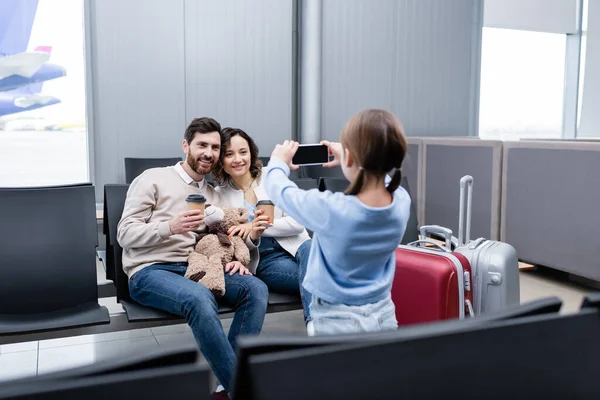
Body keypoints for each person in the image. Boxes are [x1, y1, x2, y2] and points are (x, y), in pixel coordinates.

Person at [116, 117, 270, 397]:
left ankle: (226, 386)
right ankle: (244, 392)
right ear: (186, 145)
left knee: (255, 289)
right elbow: (124, 234)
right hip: (149, 271)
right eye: (201, 145)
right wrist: (169, 227)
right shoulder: (153, 178)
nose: (208, 153)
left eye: (214, 147)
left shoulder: (211, 193)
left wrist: (236, 258)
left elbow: (222, 237)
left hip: (195, 269)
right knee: (200, 298)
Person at [262, 109, 411, 336]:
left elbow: (280, 190)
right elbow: (385, 177)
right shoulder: (401, 202)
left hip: (336, 321)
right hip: (383, 315)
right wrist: (352, 155)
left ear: (350, 158)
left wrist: (277, 162)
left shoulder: (333, 210)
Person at [211, 127, 312, 326]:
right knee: (320, 276)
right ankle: (323, 324)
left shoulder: (272, 177)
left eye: (243, 152)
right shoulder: (219, 195)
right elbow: (232, 238)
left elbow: (298, 223)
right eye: (229, 154)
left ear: (251, 153)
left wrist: (254, 226)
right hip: (265, 261)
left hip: (299, 247)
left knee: (312, 252)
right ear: (221, 160)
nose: (238, 159)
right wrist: (252, 234)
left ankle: (314, 323)